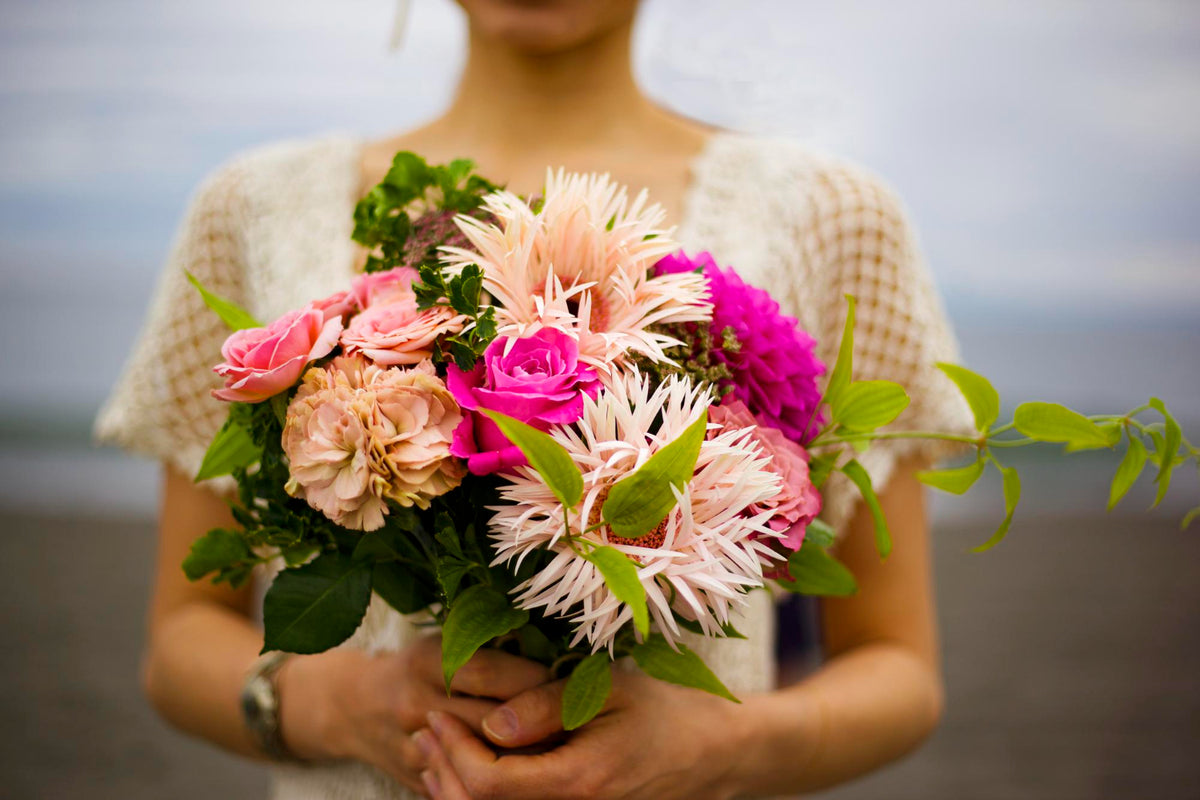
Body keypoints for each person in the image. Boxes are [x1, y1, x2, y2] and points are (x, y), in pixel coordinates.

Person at [96, 1, 972, 797]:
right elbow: (181, 642)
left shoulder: (830, 215)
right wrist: (338, 705)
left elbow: (898, 666)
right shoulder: (255, 206)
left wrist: (721, 745)